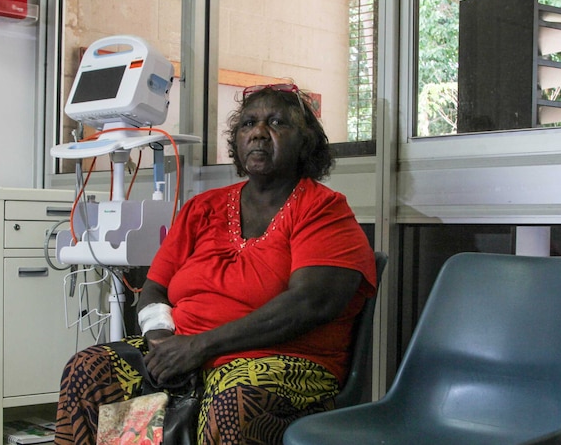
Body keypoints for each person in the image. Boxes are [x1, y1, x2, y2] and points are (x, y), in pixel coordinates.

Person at [55, 82, 377, 445]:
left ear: (305, 140)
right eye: (248, 124)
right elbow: (155, 289)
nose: (258, 132)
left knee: (231, 403)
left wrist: (201, 347)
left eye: (276, 123)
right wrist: (160, 340)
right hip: (183, 350)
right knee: (88, 370)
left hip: (279, 358)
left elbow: (310, 303)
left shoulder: (323, 210)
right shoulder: (201, 208)